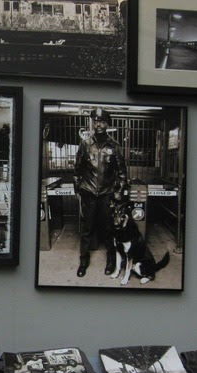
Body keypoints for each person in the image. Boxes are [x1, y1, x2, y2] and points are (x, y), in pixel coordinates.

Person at [73, 107, 128, 277]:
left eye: (102, 122)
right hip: (89, 193)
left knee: (109, 229)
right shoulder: (85, 145)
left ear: (107, 124)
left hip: (107, 195)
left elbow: (122, 174)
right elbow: (77, 171)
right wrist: (79, 190)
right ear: (93, 123)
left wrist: (118, 193)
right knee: (87, 230)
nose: (99, 125)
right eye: (96, 122)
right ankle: (83, 261)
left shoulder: (115, 146)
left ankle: (111, 261)